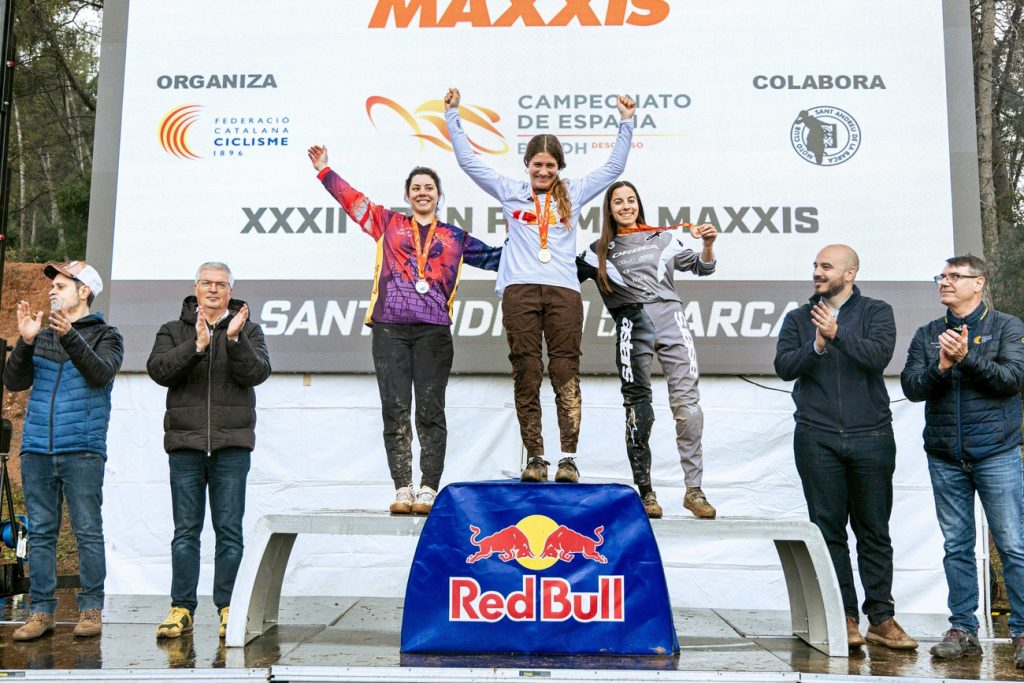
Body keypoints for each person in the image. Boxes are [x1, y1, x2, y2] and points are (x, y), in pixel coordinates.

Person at [444, 87, 636, 483]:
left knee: (566, 370)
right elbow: (468, 162)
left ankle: (568, 459)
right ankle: (535, 457)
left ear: (559, 166)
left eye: (550, 165)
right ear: (527, 164)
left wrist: (626, 122)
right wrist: (452, 114)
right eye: (537, 165)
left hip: (564, 292)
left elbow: (614, 167)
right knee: (527, 370)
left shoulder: (574, 192)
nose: (543, 172)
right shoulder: (510, 191)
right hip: (520, 291)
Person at [308, 146, 501, 514]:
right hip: (389, 330)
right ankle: (402, 487)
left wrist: (534, 245)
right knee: (395, 409)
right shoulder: (388, 223)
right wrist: (324, 171)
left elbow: (495, 258)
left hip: (434, 332)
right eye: (416, 188)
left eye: (429, 187)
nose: (422, 193)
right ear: (408, 195)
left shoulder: (455, 237)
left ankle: (428, 488)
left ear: (439, 195)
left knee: (430, 411)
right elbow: (353, 202)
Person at [774, 245, 917, 650]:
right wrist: (816, 346)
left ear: (849, 273)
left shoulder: (876, 311)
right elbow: (784, 367)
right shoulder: (798, 318)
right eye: (815, 265)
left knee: (874, 529)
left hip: (871, 436)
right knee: (828, 531)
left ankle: (881, 618)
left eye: (826, 266)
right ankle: (845, 617)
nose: (817, 272)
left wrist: (838, 335)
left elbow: (878, 357)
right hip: (817, 437)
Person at [901, 255, 1024, 666]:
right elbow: (912, 387)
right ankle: (963, 630)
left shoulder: (1007, 326)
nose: (945, 282)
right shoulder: (928, 333)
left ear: (979, 283)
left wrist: (968, 358)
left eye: (955, 276)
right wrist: (941, 365)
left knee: (1013, 545)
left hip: (996, 454)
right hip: (945, 457)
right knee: (956, 546)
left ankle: (1022, 633)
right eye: (942, 276)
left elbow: (1012, 381)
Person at [577, 181, 717, 519]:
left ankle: (694, 491)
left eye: (631, 200)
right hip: (631, 324)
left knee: (688, 407)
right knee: (639, 410)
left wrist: (708, 244)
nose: (626, 206)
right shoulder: (595, 251)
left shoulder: (663, 238)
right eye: (618, 202)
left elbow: (703, 267)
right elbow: (561, 280)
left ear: (638, 204)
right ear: (609, 209)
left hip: (672, 320)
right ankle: (646, 493)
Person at [148, 262, 271, 640]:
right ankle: (182, 608)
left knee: (229, 531)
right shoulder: (172, 330)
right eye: (207, 283)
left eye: (221, 284)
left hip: (231, 446)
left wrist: (233, 341)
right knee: (185, 531)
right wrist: (197, 346)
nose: (214, 289)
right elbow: (159, 370)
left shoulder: (248, 330)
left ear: (230, 291)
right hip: (185, 446)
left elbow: (257, 373)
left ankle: (229, 608)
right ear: (196, 288)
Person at [3, 261, 123, 641]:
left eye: (61, 285)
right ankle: (41, 613)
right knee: (40, 534)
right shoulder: (41, 335)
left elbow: (100, 374)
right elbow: (14, 382)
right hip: (37, 449)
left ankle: (91, 609)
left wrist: (70, 336)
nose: (52, 291)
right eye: (52, 286)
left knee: (87, 531)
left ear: (84, 291)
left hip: (82, 449)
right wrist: (25, 342)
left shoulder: (107, 335)